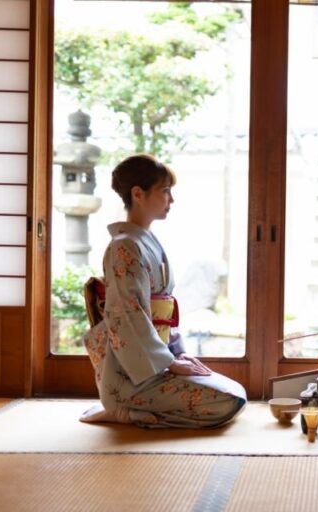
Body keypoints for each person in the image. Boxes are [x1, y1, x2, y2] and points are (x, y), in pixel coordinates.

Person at [81, 154, 246, 428]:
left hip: (156, 363)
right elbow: (129, 317)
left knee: (236, 394)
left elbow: (163, 315)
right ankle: (123, 409)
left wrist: (178, 354)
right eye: (165, 191)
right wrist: (168, 363)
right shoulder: (124, 247)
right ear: (138, 194)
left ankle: (134, 410)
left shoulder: (143, 242)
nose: (171, 200)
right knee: (227, 402)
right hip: (130, 374)